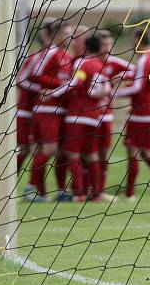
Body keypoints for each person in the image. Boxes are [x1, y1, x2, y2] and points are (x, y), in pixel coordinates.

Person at [47, 32, 111, 202]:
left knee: (73, 155)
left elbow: (76, 82)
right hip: (95, 116)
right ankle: (96, 193)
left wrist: (52, 94)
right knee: (92, 156)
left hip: (77, 115)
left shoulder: (84, 64)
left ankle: (79, 193)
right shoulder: (101, 66)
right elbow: (103, 90)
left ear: (85, 47)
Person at [112, 28, 150, 201]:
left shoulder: (145, 59)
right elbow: (143, 79)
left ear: (139, 39)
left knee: (133, 152)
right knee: (147, 153)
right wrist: (126, 75)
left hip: (141, 114)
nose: (132, 43)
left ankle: (129, 194)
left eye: (133, 39)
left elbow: (138, 87)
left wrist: (112, 94)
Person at [25, 19, 72, 201]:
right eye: (67, 34)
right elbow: (35, 73)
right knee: (49, 149)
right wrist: (58, 85)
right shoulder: (51, 52)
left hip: (59, 110)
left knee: (60, 151)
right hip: (46, 109)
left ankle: (60, 191)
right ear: (58, 34)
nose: (70, 37)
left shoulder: (65, 55)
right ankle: (30, 188)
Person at [15, 17, 58, 173]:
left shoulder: (58, 55)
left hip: (39, 111)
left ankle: (37, 190)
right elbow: (21, 80)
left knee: (39, 149)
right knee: (27, 149)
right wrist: (42, 90)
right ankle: (7, 185)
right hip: (26, 111)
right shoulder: (36, 56)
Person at [96, 30, 134, 201]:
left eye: (110, 44)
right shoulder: (89, 62)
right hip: (87, 115)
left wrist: (121, 77)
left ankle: (100, 190)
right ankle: (81, 189)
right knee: (84, 155)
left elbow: (134, 71)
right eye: (104, 44)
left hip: (106, 116)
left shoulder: (115, 63)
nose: (107, 47)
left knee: (104, 154)